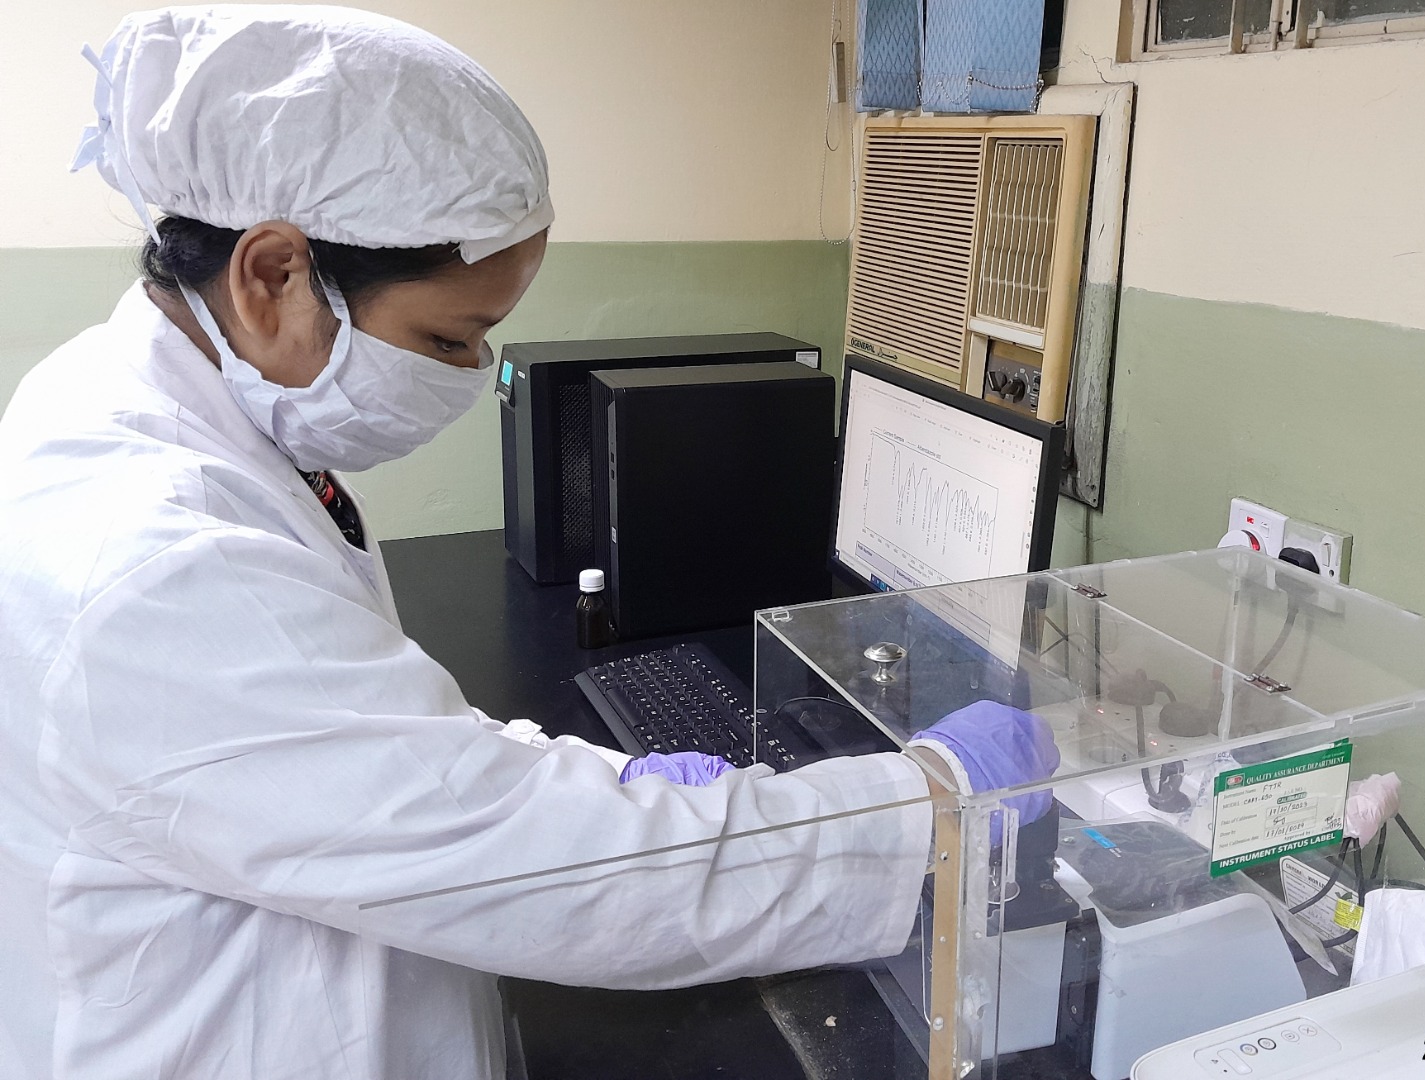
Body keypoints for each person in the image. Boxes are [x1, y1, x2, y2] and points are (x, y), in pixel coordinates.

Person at [0, 8, 1059, 1080]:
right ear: (273, 275)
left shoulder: (144, 409)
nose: (473, 373)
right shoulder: (155, 560)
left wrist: (608, 775)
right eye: (449, 336)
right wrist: (930, 807)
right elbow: (540, 868)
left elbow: (382, 758)